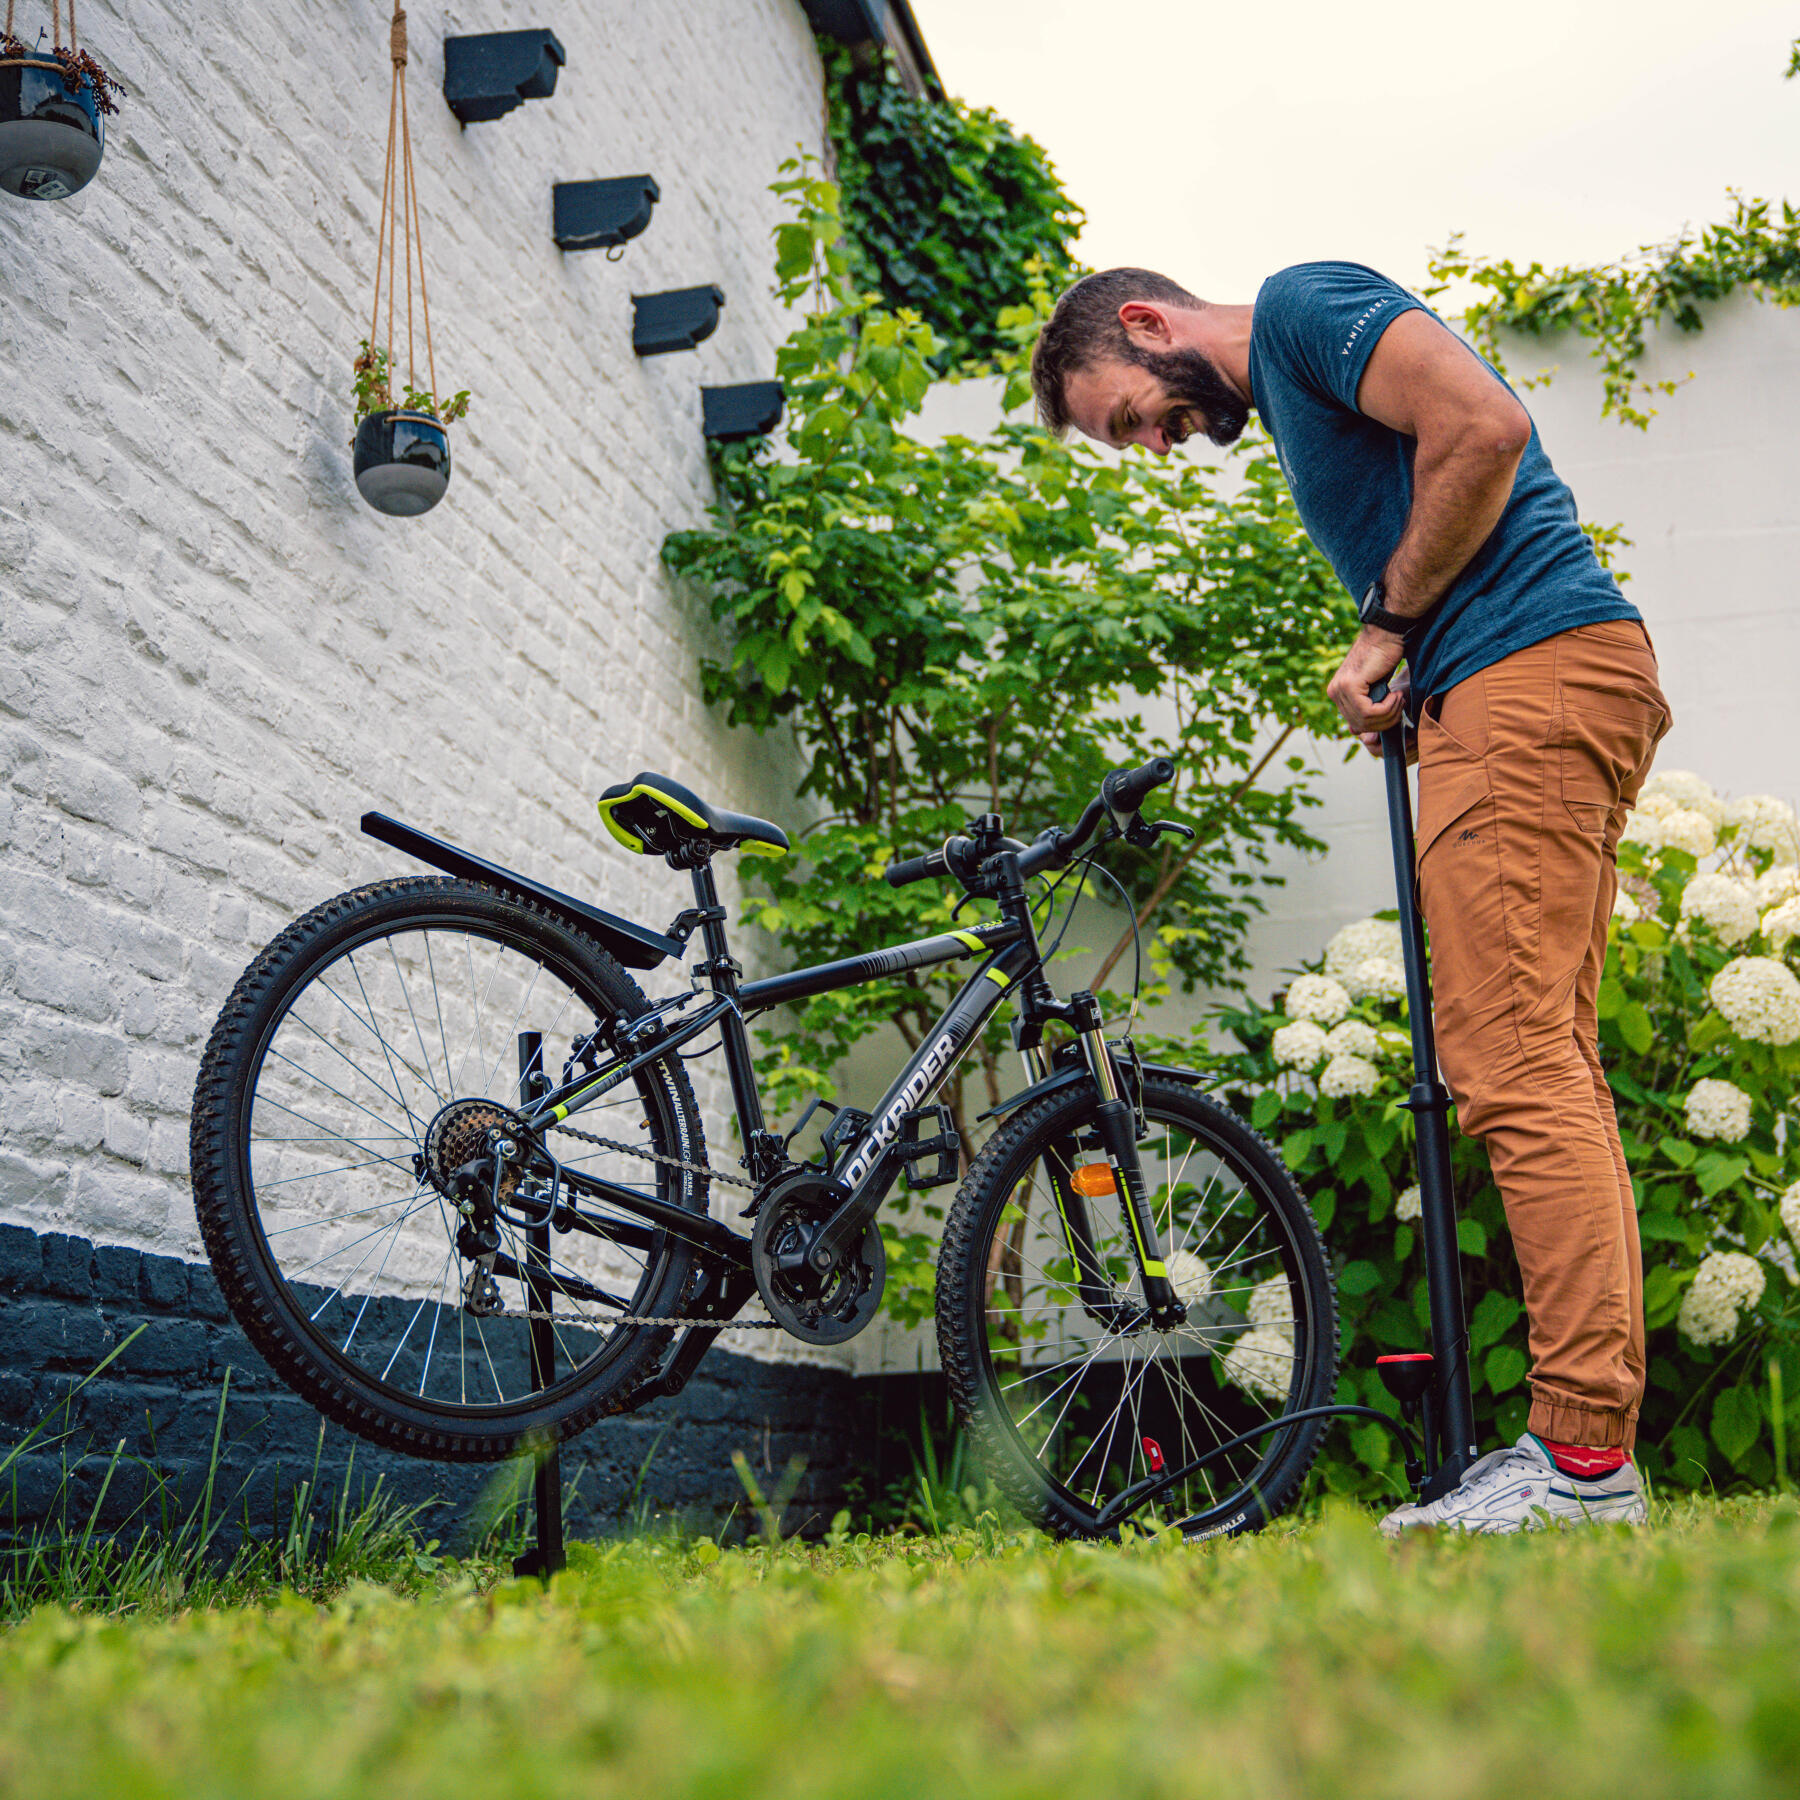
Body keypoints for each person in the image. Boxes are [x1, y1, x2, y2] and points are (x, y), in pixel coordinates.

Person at [1030, 263, 1670, 1534]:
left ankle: (1585, 1468)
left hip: (1529, 677)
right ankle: (1583, 1452)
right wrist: (1411, 673)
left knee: (1514, 1059)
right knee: (1549, 1059)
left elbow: (1486, 428)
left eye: (1130, 417)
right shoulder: (1290, 385)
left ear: (1148, 326)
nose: (1155, 449)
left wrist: (1388, 626)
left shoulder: (1307, 304)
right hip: (1520, 682)